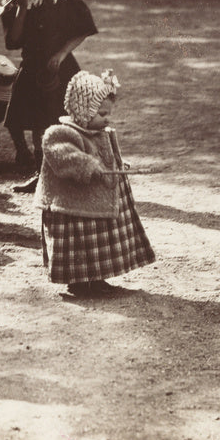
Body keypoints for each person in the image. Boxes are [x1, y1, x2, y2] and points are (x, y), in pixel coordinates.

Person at [0, 0, 98, 191]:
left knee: (59, 121)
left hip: (59, 69)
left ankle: (70, 172)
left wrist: (61, 55)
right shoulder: (13, 3)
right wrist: (23, 9)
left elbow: (82, 30)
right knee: (38, 125)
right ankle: (42, 177)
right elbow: (12, 42)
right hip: (32, 68)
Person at [34, 69, 155, 298]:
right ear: (83, 109)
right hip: (71, 204)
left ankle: (97, 278)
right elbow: (63, 157)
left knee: (97, 242)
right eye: (101, 113)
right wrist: (87, 165)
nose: (106, 118)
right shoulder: (60, 133)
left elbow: (105, 153)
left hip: (94, 202)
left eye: (108, 113)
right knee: (79, 244)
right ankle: (78, 282)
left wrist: (117, 163)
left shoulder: (99, 131)